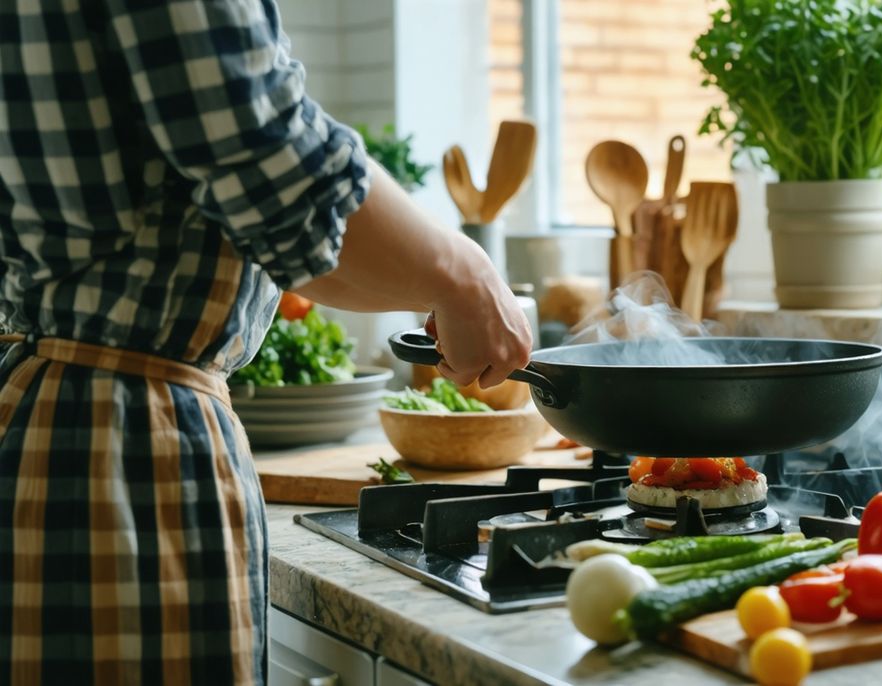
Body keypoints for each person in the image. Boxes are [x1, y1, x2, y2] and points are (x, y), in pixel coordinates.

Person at [0, 1, 532, 683]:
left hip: (59, 418)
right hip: (125, 452)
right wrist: (466, 274)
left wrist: (436, 292)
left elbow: (288, 238)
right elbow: (275, 164)